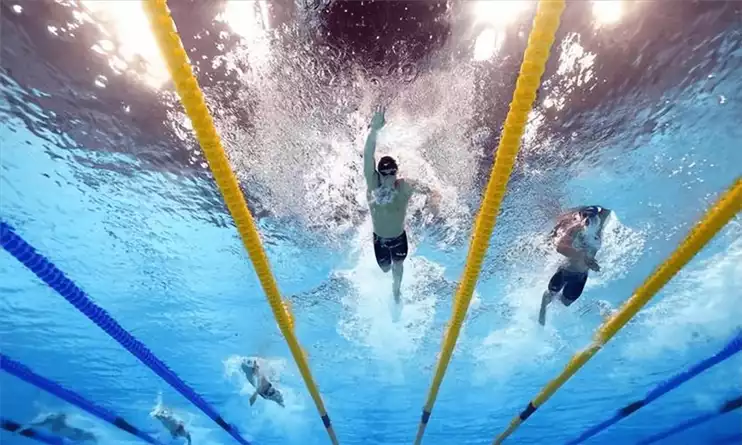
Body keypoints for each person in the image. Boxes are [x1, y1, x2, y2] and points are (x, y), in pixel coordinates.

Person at [363, 106, 441, 302]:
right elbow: (368, 157)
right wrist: (374, 131)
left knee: (398, 267)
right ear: (379, 174)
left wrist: (434, 200)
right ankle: (388, 280)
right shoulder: (373, 185)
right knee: (385, 269)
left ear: (397, 173)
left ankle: (396, 292)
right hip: (379, 240)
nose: (388, 178)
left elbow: (432, 190)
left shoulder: (405, 186)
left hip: (399, 239)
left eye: (392, 173)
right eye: (384, 173)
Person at [538, 205, 611, 325]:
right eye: (586, 216)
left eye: (592, 216)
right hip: (566, 270)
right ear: (581, 217)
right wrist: (584, 258)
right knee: (551, 294)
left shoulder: (598, 224)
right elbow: (560, 248)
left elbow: (607, 208)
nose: (589, 219)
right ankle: (543, 306)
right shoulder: (574, 230)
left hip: (582, 274)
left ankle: (587, 309)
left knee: (566, 302)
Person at [28, 413, 97, 443]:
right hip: (67, 433)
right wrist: (31, 424)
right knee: (80, 436)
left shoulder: (60, 421)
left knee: (83, 435)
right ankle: (94, 439)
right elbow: (41, 424)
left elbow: (41, 424)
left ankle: (95, 439)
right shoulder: (51, 420)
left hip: (70, 432)